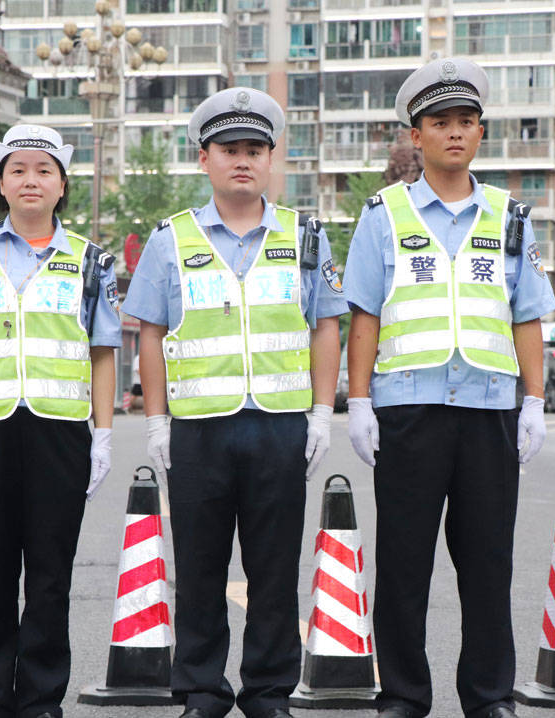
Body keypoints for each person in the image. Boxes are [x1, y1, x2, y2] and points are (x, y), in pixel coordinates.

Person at [343, 58, 555, 718]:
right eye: (441, 123)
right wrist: (357, 402)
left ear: (481, 134)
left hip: (490, 411)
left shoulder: (510, 216)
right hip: (409, 408)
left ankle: (488, 698)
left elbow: (526, 314)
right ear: (416, 135)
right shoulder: (383, 215)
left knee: (488, 567)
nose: (455, 133)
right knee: (404, 570)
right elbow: (365, 315)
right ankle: (404, 697)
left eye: (467, 122)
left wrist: (534, 401)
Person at [122, 87, 346, 718]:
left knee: (274, 568)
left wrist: (323, 413)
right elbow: (150, 331)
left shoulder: (305, 236)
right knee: (199, 567)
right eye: (229, 150)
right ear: (205, 159)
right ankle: (201, 689)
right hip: (199, 431)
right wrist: (157, 421)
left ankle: (269, 690)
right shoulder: (172, 239)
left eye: (255, 149)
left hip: (279, 425)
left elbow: (327, 323)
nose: (242, 160)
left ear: (272, 159)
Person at [0, 123, 120, 718]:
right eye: (18, 170)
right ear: (2, 184)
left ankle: (41, 698)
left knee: (49, 575)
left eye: (44, 170)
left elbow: (102, 353)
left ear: (62, 184)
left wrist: (103, 435)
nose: (31, 180)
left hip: (59, 433)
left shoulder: (90, 261)